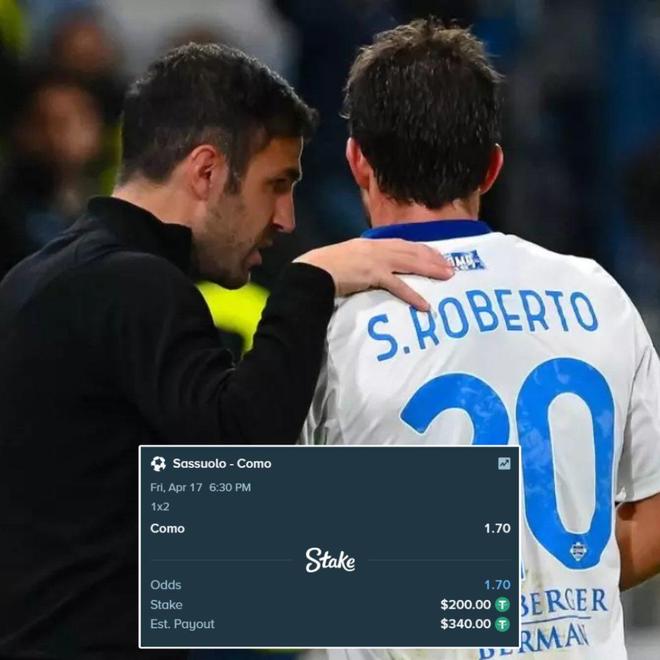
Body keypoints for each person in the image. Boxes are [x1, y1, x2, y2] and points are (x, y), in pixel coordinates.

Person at [0, 43, 453, 660]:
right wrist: (310, 281)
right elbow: (244, 453)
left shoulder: (40, 277)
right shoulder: (133, 286)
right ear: (208, 172)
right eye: (277, 185)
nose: (287, 219)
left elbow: (181, 530)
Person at [301, 19, 660, 659]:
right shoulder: (597, 293)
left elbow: (253, 561)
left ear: (357, 160)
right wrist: (551, 592)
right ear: (493, 167)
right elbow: (653, 518)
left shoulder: (327, 320)